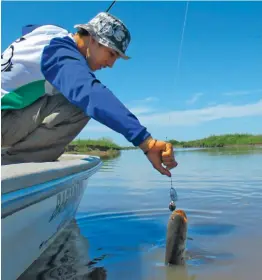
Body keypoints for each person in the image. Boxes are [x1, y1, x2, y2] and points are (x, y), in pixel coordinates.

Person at [1, 12, 177, 176]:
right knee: (78, 105)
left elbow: (28, 28)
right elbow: (90, 94)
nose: (111, 64)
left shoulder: (49, 33)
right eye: (111, 54)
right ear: (92, 39)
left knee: (63, 92)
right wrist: (146, 142)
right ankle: (10, 167)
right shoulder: (59, 53)